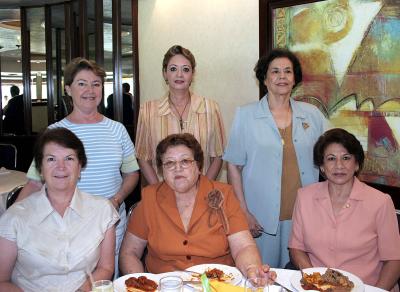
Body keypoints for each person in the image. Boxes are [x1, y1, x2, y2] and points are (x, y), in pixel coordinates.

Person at [17, 58, 140, 277]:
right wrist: (9, 220)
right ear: (68, 88)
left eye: (96, 84)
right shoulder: (54, 132)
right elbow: (35, 183)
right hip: (65, 227)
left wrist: (116, 200)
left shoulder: (117, 130)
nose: (90, 90)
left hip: (110, 223)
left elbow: (131, 173)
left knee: (106, 281)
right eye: (82, 83)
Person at [119, 133, 276, 284]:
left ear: (198, 166)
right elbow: (129, 252)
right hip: (167, 285)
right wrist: (140, 283)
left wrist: (251, 269)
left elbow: (243, 246)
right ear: (162, 170)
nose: (177, 168)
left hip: (217, 284)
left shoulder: (224, 195)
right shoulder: (149, 198)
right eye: (169, 163)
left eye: (185, 161)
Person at [223, 48, 329, 268]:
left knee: (300, 278)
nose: (282, 77)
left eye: (288, 71)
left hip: (303, 215)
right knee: (262, 277)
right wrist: (243, 212)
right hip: (259, 218)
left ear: (295, 78)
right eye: (275, 71)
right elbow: (233, 166)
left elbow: (329, 158)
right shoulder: (246, 115)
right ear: (264, 78)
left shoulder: (312, 115)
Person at [0, 127, 119, 291]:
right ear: (40, 169)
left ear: (80, 167)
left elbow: (106, 268)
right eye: (51, 159)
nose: (61, 167)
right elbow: (2, 281)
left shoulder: (103, 210)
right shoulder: (14, 217)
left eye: (69, 159)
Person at [289, 128, 400, 291]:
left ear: (356, 164)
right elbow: (296, 248)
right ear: (321, 166)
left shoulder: (380, 202)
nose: (339, 165)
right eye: (331, 159)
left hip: (368, 287)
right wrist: (314, 282)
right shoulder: (304, 197)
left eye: (346, 158)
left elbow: (394, 260)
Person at [135, 45, 226, 185]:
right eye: (173, 69)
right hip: (162, 193)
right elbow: (142, 156)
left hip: (201, 193)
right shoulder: (147, 110)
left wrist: (203, 187)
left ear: (193, 74)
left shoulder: (210, 108)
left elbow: (218, 155)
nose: (179, 75)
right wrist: (158, 190)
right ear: (165, 73)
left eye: (185, 69)